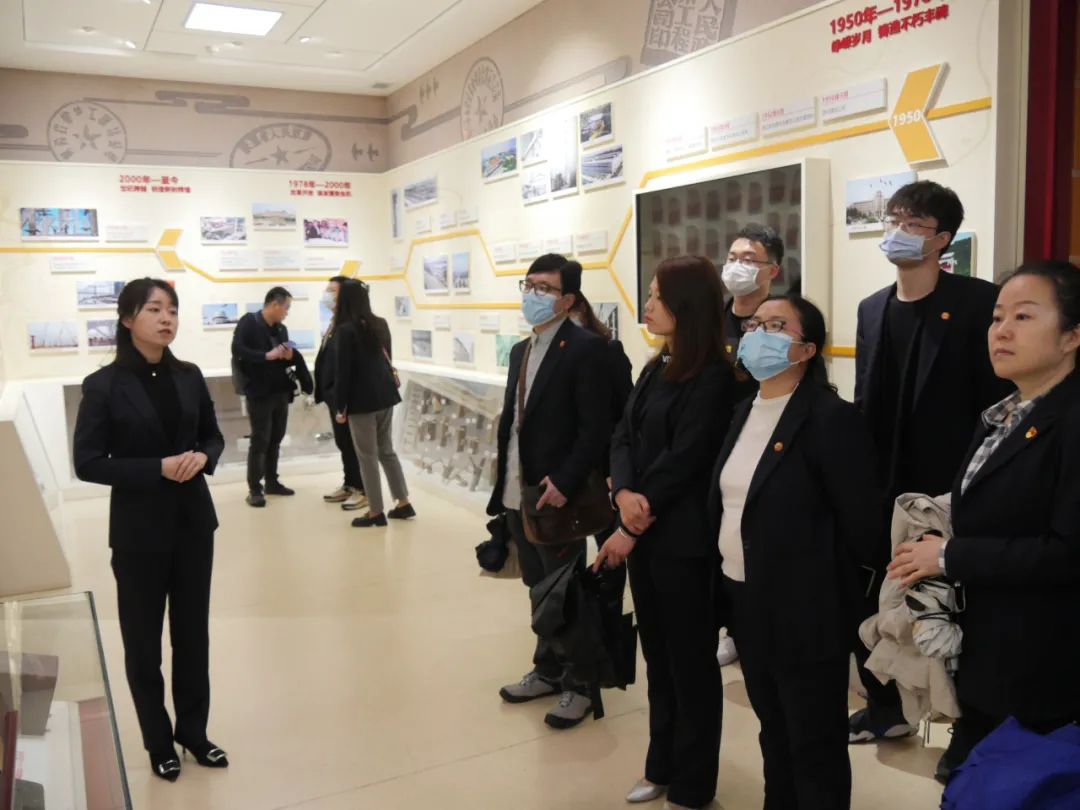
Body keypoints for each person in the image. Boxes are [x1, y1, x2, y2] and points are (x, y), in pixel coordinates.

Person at [888, 260, 1080, 778]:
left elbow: (1068, 553)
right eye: (997, 318)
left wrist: (949, 555)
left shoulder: (1070, 420)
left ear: (1072, 336)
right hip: (986, 650)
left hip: (1042, 663)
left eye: (1024, 316)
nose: (1002, 331)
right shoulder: (1002, 415)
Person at [851, 180, 1013, 751]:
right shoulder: (872, 308)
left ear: (942, 239)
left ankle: (966, 734)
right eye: (893, 219)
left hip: (951, 489)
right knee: (884, 601)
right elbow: (866, 400)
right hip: (884, 487)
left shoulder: (977, 303)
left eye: (913, 224)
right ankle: (886, 708)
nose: (898, 231)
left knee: (953, 614)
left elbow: (996, 404)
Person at [710, 294, 883, 810]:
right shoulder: (743, 412)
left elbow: (862, 526)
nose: (758, 334)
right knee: (774, 729)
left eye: (776, 325)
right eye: (755, 324)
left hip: (806, 610)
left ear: (807, 350)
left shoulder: (830, 418)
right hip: (746, 598)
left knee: (814, 740)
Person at [73, 278, 228, 782]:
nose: (167, 319)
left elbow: (212, 435)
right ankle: (158, 742)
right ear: (127, 319)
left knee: (193, 636)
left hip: (193, 524)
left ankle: (194, 733)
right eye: (155, 309)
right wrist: (155, 468)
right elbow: (88, 462)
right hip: (138, 531)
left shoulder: (189, 374)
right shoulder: (103, 385)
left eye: (173, 310)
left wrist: (203, 456)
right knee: (143, 643)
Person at [598, 256, 737, 809]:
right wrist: (622, 495)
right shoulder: (658, 365)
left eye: (657, 295)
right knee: (658, 659)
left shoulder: (716, 378)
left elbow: (687, 460)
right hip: (644, 532)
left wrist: (634, 517)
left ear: (687, 305)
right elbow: (622, 436)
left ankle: (693, 783)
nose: (648, 304)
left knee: (691, 665)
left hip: (684, 544)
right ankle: (661, 764)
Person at [491, 254, 611, 729]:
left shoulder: (586, 349)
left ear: (566, 300)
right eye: (528, 285)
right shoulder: (522, 350)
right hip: (519, 491)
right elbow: (514, 423)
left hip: (557, 496)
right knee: (538, 588)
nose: (532, 295)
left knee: (566, 592)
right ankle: (547, 669)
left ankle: (580, 686)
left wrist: (565, 481)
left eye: (544, 288)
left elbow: (595, 428)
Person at [715, 223, 784, 665]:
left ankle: (755, 626)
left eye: (749, 259)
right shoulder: (711, 320)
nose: (737, 266)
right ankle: (727, 626)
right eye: (733, 258)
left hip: (762, 444)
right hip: (714, 445)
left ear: (772, 270)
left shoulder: (782, 319)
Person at [333, 280, 413, 527]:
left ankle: (375, 511)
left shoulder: (345, 330)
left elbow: (343, 372)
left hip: (361, 402)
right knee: (386, 451)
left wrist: (340, 407)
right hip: (385, 396)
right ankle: (403, 502)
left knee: (366, 456)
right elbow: (387, 358)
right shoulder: (380, 324)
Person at [232, 286, 297, 508]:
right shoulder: (249, 322)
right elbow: (237, 349)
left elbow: (286, 358)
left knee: (276, 439)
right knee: (260, 440)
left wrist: (289, 355)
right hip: (258, 392)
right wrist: (265, 355)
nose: (287, 312)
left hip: (280, 391)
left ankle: (272, 482)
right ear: (274, 304)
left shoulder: (281, 329)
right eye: (286, 307)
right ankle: (255, 488)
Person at [314, 276, 365, 511]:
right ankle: (350, 484)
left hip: (346, 396)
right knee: (343, 443)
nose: (327, 295)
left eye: (332, 291)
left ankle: (362, 489)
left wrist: (340, 396)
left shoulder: (352, 325)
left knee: (354, 445)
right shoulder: (334, 322)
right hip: (333, 395)